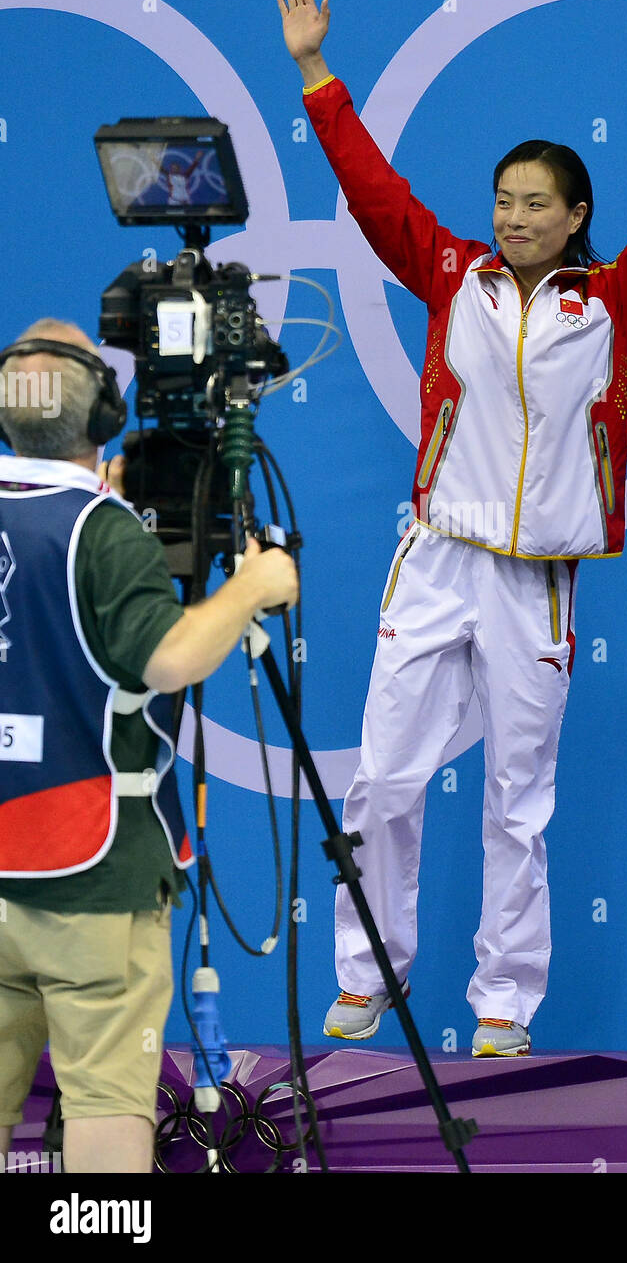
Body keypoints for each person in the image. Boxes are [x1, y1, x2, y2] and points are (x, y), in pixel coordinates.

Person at [278, 0, 627, 1057]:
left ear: (576, 216)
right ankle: (369, 971)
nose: (513, 219)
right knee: (382, 777)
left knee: (515, 803)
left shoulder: (615, 300)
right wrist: (314, 73)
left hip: (537, 584)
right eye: (502, 201)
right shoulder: (449, 275)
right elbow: (374, 190)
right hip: (436, 559)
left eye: (536, 205)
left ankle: (499, 1003)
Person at [0, 319, 298, 1172]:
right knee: (104, 1104)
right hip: (90, 878)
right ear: (103, 414)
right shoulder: (102, 533)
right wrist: (251, 587)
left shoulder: (97, 523)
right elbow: (171, 659)